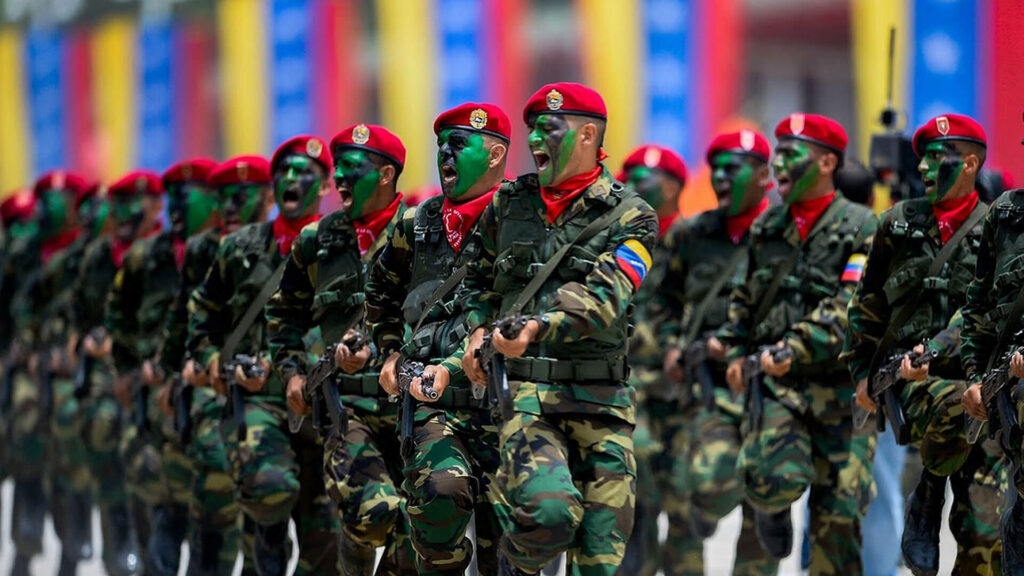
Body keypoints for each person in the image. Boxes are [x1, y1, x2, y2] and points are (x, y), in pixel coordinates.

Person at [460, 81, 658, 576]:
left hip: (603, 400)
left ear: (587, 135)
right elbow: (476, 284)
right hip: (527, 395)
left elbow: (605, 299)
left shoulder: (632, 216)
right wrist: (476, 332)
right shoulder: (508, 205)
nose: (533, 140)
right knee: (549, 515)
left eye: (547, 128)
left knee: (601, 556)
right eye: (531, 129)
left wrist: (535, 326)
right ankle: (514, 564)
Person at [718, 113, 877, 575]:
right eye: (778, 152)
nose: (778, 163)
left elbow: (851, 305)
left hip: (843, 393)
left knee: (840, 518)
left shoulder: (862, 227)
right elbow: (743, 298)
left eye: (791, 153)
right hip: (778, 387)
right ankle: (772, 505)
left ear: (827, 163)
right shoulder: (767, 228)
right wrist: (734, 351)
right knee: (770, 477)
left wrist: (794, 347)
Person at [847, 113, 1000, 576]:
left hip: (983, 387)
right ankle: (929, 494)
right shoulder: (896, 224)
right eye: (923, 159)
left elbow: (991, 310)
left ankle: (931, 489)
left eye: (938, 158)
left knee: (985, 532)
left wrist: (943, 349)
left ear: (970, 164)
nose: (924, 168)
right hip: (913, 384)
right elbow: (867, 306)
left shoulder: (1000, 229)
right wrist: (862, 375)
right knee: (954, 403)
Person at [363, 103, 512, 575]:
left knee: (507, 550)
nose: (445, 154)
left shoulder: (523, 223)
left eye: (459, 144)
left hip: (508, 403)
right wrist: (390, 352)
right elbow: (379, 295)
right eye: (441, 145)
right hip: (434, 405)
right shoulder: (417, 225)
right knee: (439, 494)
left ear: (494, 156)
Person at [266, 124, 413, 576]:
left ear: (386, 175)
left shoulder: (422, 231)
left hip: (414, 406)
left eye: (353, 167)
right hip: (347, 408)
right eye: (339, 168)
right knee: (372, 514)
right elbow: (284, 316)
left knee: (423, 530)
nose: (341, 177)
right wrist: (292, 372)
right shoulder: (316, 240)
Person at [188, 135, 338, 575]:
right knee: (268, 492)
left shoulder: (344, 248)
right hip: (257, 400)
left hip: (322, 404)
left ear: (325, 186)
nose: (291, 178)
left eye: (303, 172)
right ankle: (268, 542)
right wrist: (212, 361)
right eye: (284, 172)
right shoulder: (239, 247)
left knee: (324, 539)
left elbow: (362, 317)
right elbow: (202, 312)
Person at [647, 130, 780, 576]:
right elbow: (663, 299)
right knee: (706, 483)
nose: (721, 176)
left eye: (733, 167)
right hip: (708, 384)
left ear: (763, 175)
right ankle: (709, 506)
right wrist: (671, 345)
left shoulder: (786, 233)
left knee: (764, 499)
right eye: (716, 168)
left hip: (771, 382)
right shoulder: (692, 234)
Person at [108, 158, 219, 575]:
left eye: (186, 200)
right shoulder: (145, 256)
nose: (176, 209)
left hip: (208, 389)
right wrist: (127, 368)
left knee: (210, 504)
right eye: (172, 200)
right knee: (156, 491)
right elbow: (118, 313)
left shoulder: (225, 251)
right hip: (156, 393)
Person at [175, 155, 272, 574]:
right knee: (214, 478)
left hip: (272, 392)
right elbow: (186, 320)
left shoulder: (289, 245)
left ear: (267, 198)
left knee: (265, 509)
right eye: (223, 197)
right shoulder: (202, 250)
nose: (230, 207)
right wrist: (196, 362)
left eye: (240, 196)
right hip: (214, 387)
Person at [75, 170, 166, 575]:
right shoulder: (98, 257)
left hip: (155, 370)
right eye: (119, 205)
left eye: (134, 204)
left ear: (156, 207)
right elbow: (81, 310)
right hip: (106, 373)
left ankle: (151, 548)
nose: (125, 214)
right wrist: (86, 340)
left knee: (151, 464)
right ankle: (118, 536)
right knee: (100, 434)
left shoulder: (168, 252)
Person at [615, 144, 687, 576]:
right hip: (629, 381)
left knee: (683, 500)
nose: (631, 186)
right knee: (633, 486)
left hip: (681, 386)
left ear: (673, 187)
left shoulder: (693, 240)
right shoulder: (618, 239)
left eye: (642, 179)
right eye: (628, 178)